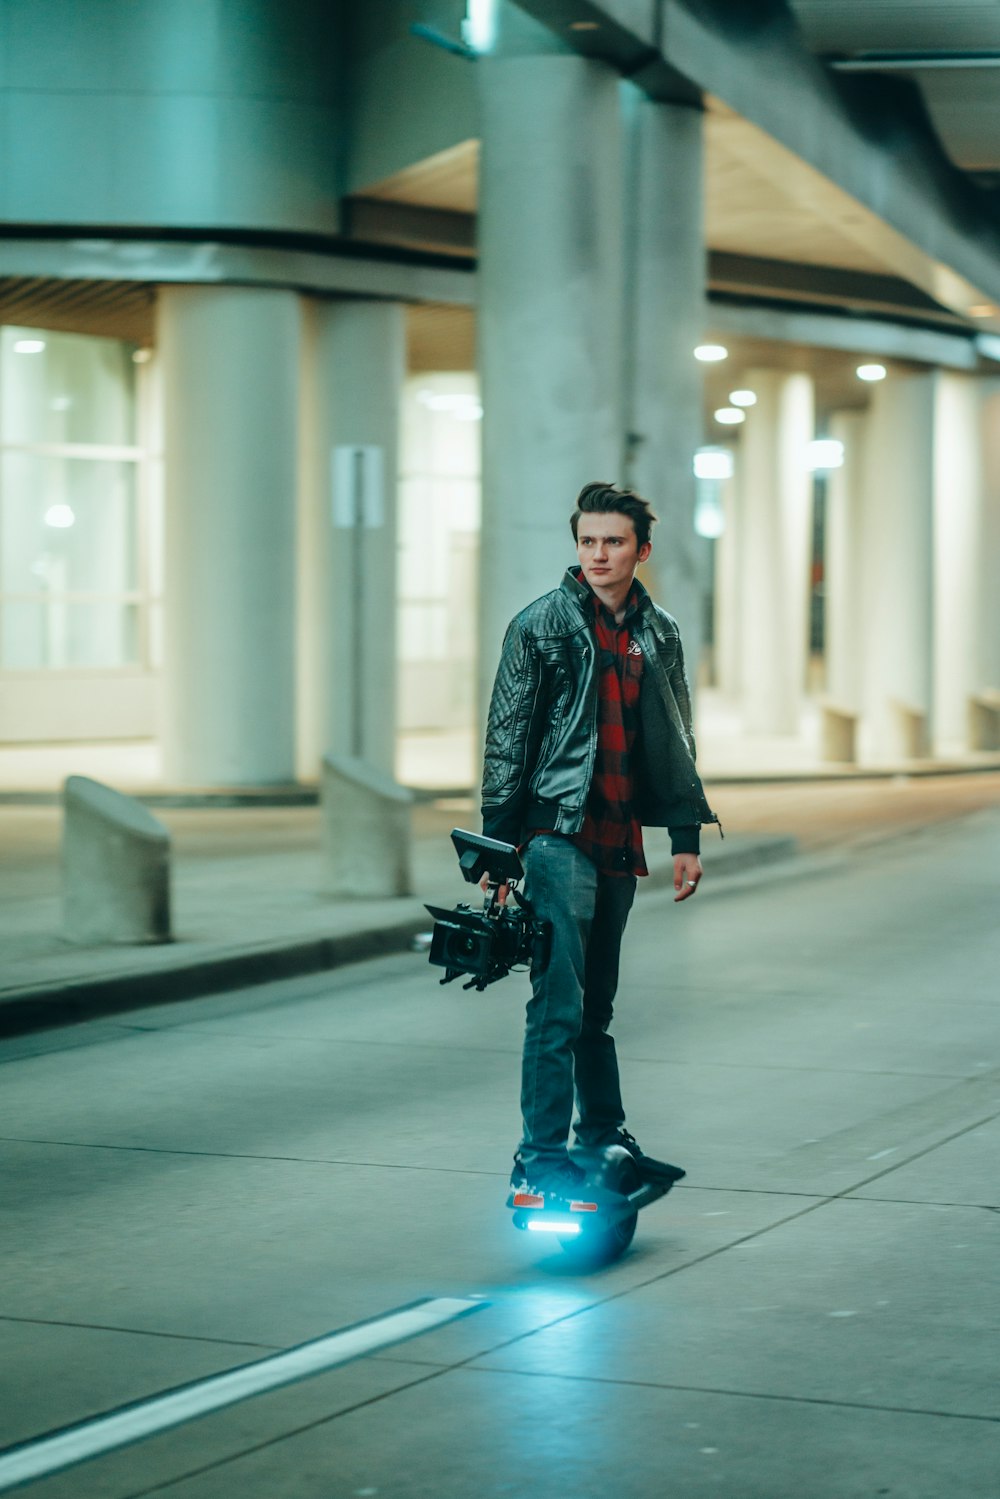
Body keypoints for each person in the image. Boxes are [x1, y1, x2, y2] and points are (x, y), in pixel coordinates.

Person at [480, 480, 719, 1205]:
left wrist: (684, 836)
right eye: (588, 540)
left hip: (619, 840)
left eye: (613, 542)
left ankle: (604, 1134)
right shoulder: (540, 626)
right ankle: (539, 1157)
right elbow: (507, 739)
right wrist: (495, 854)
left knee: (595, 1006)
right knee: (557, 1001)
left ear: (641, 550)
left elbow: (676, 739)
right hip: (557, 834)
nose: (598, 554)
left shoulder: (661, 632)